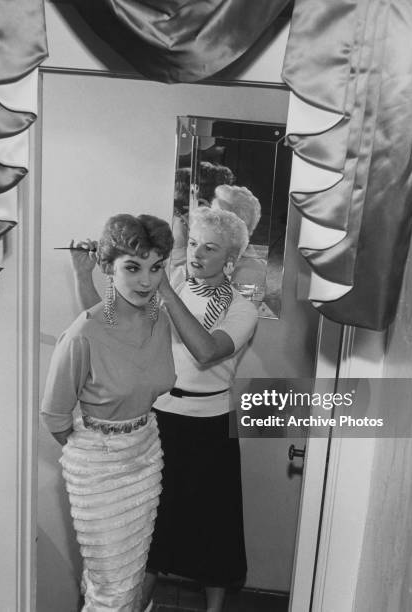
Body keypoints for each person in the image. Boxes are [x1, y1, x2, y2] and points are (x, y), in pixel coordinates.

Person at [71, 207, 258, 612]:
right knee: (151, 524)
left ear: (231, 260)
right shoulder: (169, 283)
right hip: (159, 420)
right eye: (192, 243)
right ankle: (138, 605)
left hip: (210, 426)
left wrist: (168, 294)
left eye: (210, 248)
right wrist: (83, 274)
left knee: (215, 526)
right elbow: (106, 331)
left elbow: (206, 351)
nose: (197, 254)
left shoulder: (242, 308)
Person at [40, 214, 176, 612]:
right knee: (112, 587)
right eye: (132, 267)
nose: (146, 281)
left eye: (156, 268)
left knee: (128, 577)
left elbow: (116, 337)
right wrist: (96, 447)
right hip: (98, 470)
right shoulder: (82, 332)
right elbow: (54, 416)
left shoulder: (157, 319)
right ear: (107, 266)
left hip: (146, 453)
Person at [210, 184, 267, 294]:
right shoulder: (219, 258)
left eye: (215, 220)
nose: (206, 224)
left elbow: (243, 310)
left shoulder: (251, 271)